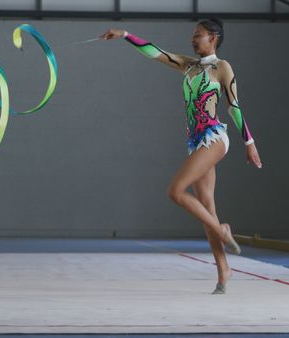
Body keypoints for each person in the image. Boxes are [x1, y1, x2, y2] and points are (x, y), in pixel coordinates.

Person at [100, 18, 262, 294]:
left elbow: (234, 107)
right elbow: (156, 52)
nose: (192, 39)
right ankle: (224, 269)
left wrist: (249, 142)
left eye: (197, 35)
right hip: (196, 141)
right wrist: (126, 35)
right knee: (206, 207)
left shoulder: (222, 67)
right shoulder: (188, 65)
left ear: (213, 38)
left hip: (214, 137)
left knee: (175, 191)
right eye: (192, 35)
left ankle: (223, 231)